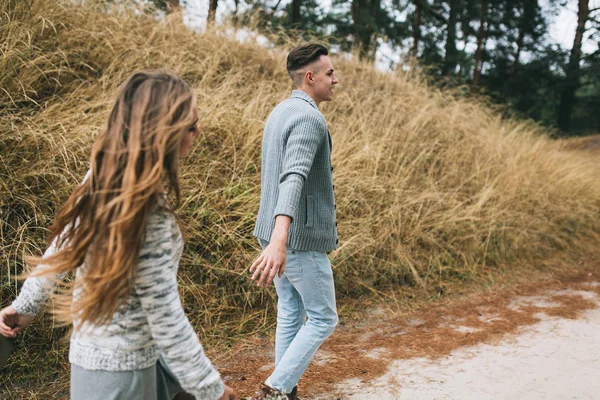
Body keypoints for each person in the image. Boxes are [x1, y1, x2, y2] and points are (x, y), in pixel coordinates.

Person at [0, 70, 237, 400]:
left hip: (100, 360)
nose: (197, 133)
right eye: (190, 126)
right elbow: (166, 316)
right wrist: (211, 390)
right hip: (124, 375)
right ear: (163, 133)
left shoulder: (100, 180)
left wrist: (24, 307)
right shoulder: (149, 212)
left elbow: (59, 252)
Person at [249, 44, 340, 400]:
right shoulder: (308, 118)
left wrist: (273, 236)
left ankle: (284, 390)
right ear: (310, 77)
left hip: (275, 233)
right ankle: (275, 388)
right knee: (323, 318)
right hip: (294, 238)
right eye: (330, 73)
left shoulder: (280, 111)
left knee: (290, 309)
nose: (336, 79)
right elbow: (293, 176)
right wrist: (281, 240)